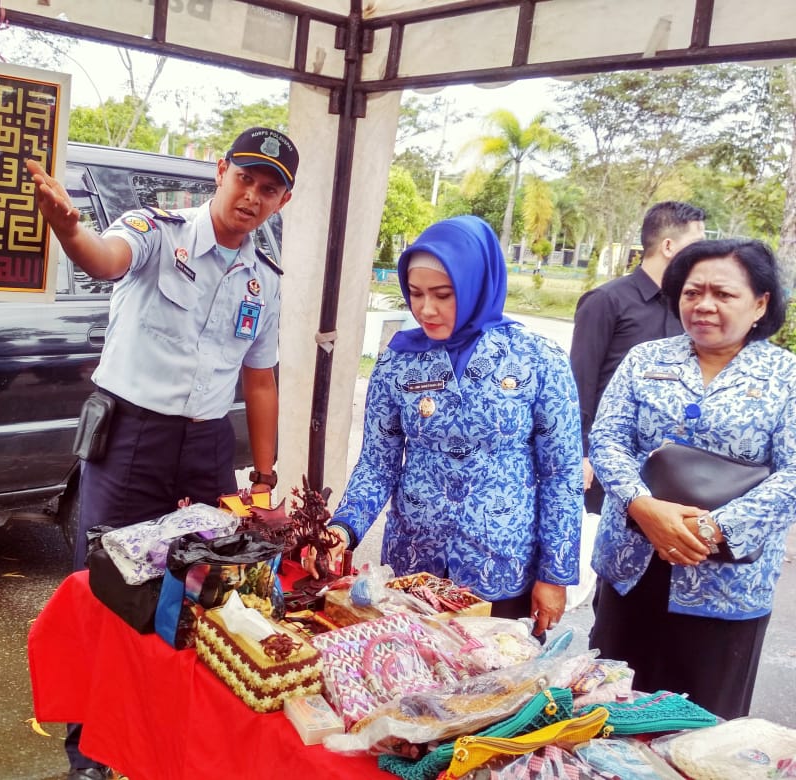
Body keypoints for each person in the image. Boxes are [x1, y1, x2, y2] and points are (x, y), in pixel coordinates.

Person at [27, 126, 298, 780]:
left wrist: (262, 480)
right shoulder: (156, 230)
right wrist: (68, 229)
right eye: (244, 179)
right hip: (132, 437)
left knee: (203, 593)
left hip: (206, 444)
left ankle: (169, 739)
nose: (252, 197)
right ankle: (88, 752)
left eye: (269, 189)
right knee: (106, 590)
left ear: (282, 201)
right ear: (220, 170)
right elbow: (104, 258)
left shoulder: (264, 277)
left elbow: (260, 381)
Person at [319, 215, 584, 637]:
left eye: (443, 294)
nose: (426, 309)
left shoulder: (536, 360)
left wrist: (555, 574)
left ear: (477, 283)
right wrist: (344, 527)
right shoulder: (399, 361)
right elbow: (377, 463)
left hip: (501, 566)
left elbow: (562, 475)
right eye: (416, 293)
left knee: (492, 692)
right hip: (413, 568)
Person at [587, 238, 795, 720]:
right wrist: (644, 505)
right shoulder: (644, 360)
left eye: (723, 294)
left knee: (701, 727)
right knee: (609, 712)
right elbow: (607, 439)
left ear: (761, 303)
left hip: (726, 585)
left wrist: (712, 529)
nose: (703, 305)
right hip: (633, 571)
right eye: (691, 292)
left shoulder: (786, 376)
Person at [570, 202, 705, 513]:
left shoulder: (687, 306)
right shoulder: (607, 301)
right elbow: (580, 382)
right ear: (669, 246)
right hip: (612, 455)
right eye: (696, 244)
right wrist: (582, 453)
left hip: (673, 465)